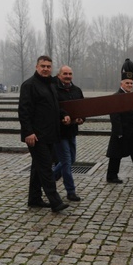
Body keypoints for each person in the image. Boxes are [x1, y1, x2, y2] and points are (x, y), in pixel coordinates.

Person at [18, 55, 69, 213]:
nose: (46, 69)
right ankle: (55, 202)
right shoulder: (29, 85)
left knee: (38, 167)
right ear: (36, 67)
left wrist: (63, 115)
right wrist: (28, 132)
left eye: (48, 66)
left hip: (50, 135)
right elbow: (23, 111)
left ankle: (34, 198)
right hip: (36, 136)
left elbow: (54, 106)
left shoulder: (51, 85)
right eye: (43, 66)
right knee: (46, 168)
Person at [53, 65, 85, 202]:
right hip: (59, 132)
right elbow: (54, 107)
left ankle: (49, 178)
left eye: (70, 74)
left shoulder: (77, 90)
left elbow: (83, 108)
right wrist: (63, 116)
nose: (67, 76)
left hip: (72, 131)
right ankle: (70, 191)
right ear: (59, 75)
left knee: (71, 160)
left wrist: (81, 118)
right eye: (65, 74)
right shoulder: (54, 89)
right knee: (66, 161)